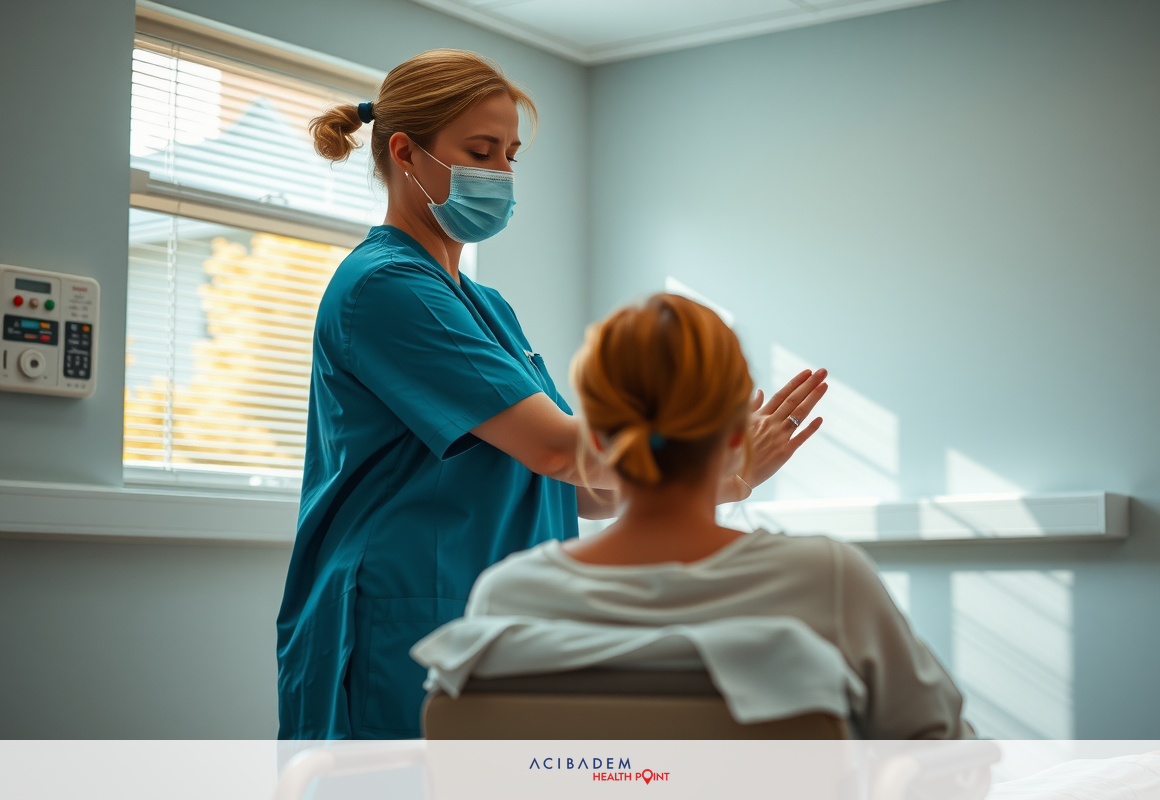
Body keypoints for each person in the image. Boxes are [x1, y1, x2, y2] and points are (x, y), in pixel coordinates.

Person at [277, 50, 827, 739]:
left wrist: (726, 480)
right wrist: (702, 441)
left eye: (510, 155)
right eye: (481, 151)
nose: (502, 175)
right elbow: (557, 450)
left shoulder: (486, 306)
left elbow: (580, 487)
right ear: (405, 153)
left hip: (501, 622)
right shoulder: (384, 289)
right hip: (404, 619)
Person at [463, 293, 969, 739]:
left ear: (593, 438)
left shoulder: (506, 597)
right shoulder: (825, 581)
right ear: (735, 436)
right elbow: (944, 751)